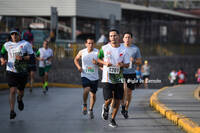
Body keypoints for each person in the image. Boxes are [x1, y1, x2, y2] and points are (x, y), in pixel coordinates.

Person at [97, 29, 129, 128]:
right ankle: (105, 106)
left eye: (114, 35)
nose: (113, 38)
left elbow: (128, 65)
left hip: (118, 78)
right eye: (111, 36)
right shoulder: (105, 48)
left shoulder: (124, 49)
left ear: (118, 36)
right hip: (107, 78)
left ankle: (113, 119)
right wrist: (104, 63)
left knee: (118, 100)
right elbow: (98, 58)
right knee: (109, 99)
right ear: (109, 37)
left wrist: (122, 64)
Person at [0, 29, 34, 119]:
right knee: (12, 90)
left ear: (19, 35)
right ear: (10, 36)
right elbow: (1, 53)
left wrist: (22, 58)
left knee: (21, 92)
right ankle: (12, 111)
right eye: (12, 34)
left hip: (22, 71)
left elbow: (31, 57)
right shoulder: (7, 45)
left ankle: (19, 99)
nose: (14, 36)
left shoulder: (26, 44)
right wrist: (2, 60)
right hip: (11, 71)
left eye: (16, 34)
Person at [74, 37, 100, 119]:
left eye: (92, 43)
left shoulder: (97, 52)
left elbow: (103, 63)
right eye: (89, 43)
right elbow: (76, 59)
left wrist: (97, 63)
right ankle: (85, 104)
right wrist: (78, 67)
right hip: (85, 75)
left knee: (93, 95)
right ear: (86, 44)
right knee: (86, 89)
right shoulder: (82, 52)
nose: (90, 45)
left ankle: (91, 109)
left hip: (95, 76)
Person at [120, 32, 142, 119]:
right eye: (125, 37)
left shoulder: (135, 49)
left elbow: (140, 62)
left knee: (129, 93)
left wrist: (134, 61)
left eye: (129, 37)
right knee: (124, 88)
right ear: (123, 39)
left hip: (131, 73)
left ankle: (126, 109)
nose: (127, 39)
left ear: (131, 39)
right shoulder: (119, 47)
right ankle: (122, 105)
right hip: (121, 72)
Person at [23, 27, 36, 92]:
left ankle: (31, 86)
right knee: (27, 76)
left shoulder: (31, 46)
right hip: (27, 63)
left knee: (32, 75)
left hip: (32, 63)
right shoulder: (25, 46)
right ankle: (28, 84)